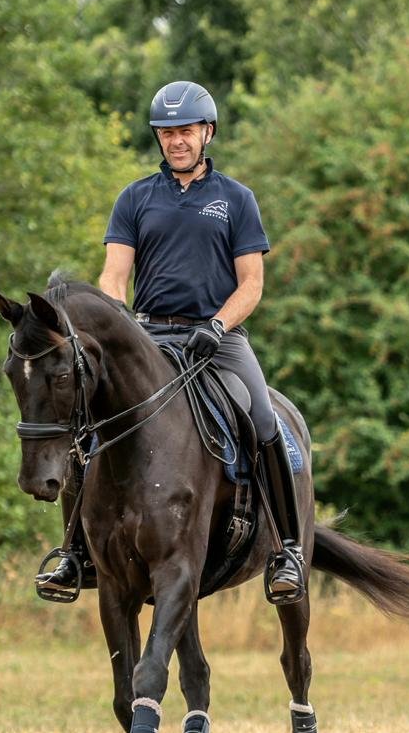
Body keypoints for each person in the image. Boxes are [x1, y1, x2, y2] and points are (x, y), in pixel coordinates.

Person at [35, 80, 307, 605]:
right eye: (166, 133)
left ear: (207, 133)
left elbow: (251, 284)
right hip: (149, 334)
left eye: (185, 131)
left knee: (264, 419)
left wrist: (217, 326)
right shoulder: (135, 198)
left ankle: (287, 551)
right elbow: (115, 275)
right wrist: (120, 322)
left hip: (218, 337)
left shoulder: (236, 199)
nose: (176, 141)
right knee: (87, 422)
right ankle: (74, 553)